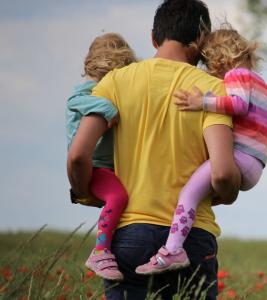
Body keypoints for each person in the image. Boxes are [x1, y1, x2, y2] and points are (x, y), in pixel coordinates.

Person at [67, 0, 241, 298]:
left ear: (153, 38)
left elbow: (78, 154)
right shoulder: (212, 90)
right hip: (192, 237)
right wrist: (229, 193)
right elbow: (223, 172)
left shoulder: (114, 82)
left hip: (128, 235)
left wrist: (86, 192)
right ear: (201, 41)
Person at [136, 25, 267, 275]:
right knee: (201, 193)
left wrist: (200, 103)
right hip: (256, 165)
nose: (210, 71)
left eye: (209, 64)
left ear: (221, 58)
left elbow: (237, 104)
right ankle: (181, 237)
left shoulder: (237, 76)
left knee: (188, 194)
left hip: (238, 158)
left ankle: (172, 250)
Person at [66, 33, 135, 281]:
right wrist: (108, 109)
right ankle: (100, 250)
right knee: (118, 196)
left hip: (108, 166)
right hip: (94, 166)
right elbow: (76, 101)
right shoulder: (87, 92)